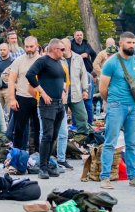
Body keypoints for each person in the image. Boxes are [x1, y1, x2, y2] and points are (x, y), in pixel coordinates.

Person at [99, 32, 135, 189]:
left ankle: (133, 176)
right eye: (129, 42)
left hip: (134, 107)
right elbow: (103, 88)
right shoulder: (111, 62)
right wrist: (113, 101)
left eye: (133, 42)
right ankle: (105, 177)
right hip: (116, 106)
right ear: (121, 44)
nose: (132, 45)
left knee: (132, 143)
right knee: (110, 143)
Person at [26, 39, 67, 179]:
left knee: (54, 136)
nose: (63, 52)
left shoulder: (58, 63)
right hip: (47, 104)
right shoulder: (43, 61)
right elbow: (30, 74)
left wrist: (64, 91)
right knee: (47, 135)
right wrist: (42, 93)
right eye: (62, 49)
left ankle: (48, 164)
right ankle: (42, 168)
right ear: (54, 49)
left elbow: (62, 79)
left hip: (59, 103)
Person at [8, 36, 40, 152]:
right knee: (19, 129)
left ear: (37, 46)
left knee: (38, 128)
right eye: (27, 46)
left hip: (38, 98)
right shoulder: (18, 60)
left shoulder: (42, 60)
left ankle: (37, 153)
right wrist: (12, 99)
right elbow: (11, 80)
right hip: (22, 97)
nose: (29, 49)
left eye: (31, 46)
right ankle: (18, 153)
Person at [60, 38, 91, 135]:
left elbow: (83, 75)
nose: (61, 49)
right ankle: (61, 139)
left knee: (82, 118)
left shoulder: (78, 58)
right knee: (60, 120)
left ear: (69, 47)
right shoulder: (58, 59)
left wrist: (85, 90)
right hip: (62, 95)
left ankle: (83, 137)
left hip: (76, 94)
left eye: (63, 47)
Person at [70, 30, 97, 124]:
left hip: (87, 72)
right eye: (77, 35)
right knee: (76, 100)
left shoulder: (86, 44)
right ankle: (75, 124)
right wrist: (79, 57)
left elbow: (94, 54)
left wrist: (91, 62)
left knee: (88, 101)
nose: (79, 36)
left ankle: (89, 123)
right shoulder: (71, 45)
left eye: (81, 35)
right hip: (75, 74)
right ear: (74, 36)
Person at [0, 43, 13, 121]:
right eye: (0, 50)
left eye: (4, 50)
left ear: (8, 50)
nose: (2, 51)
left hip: (8, 90)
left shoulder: (13, 62)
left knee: (10, 112)